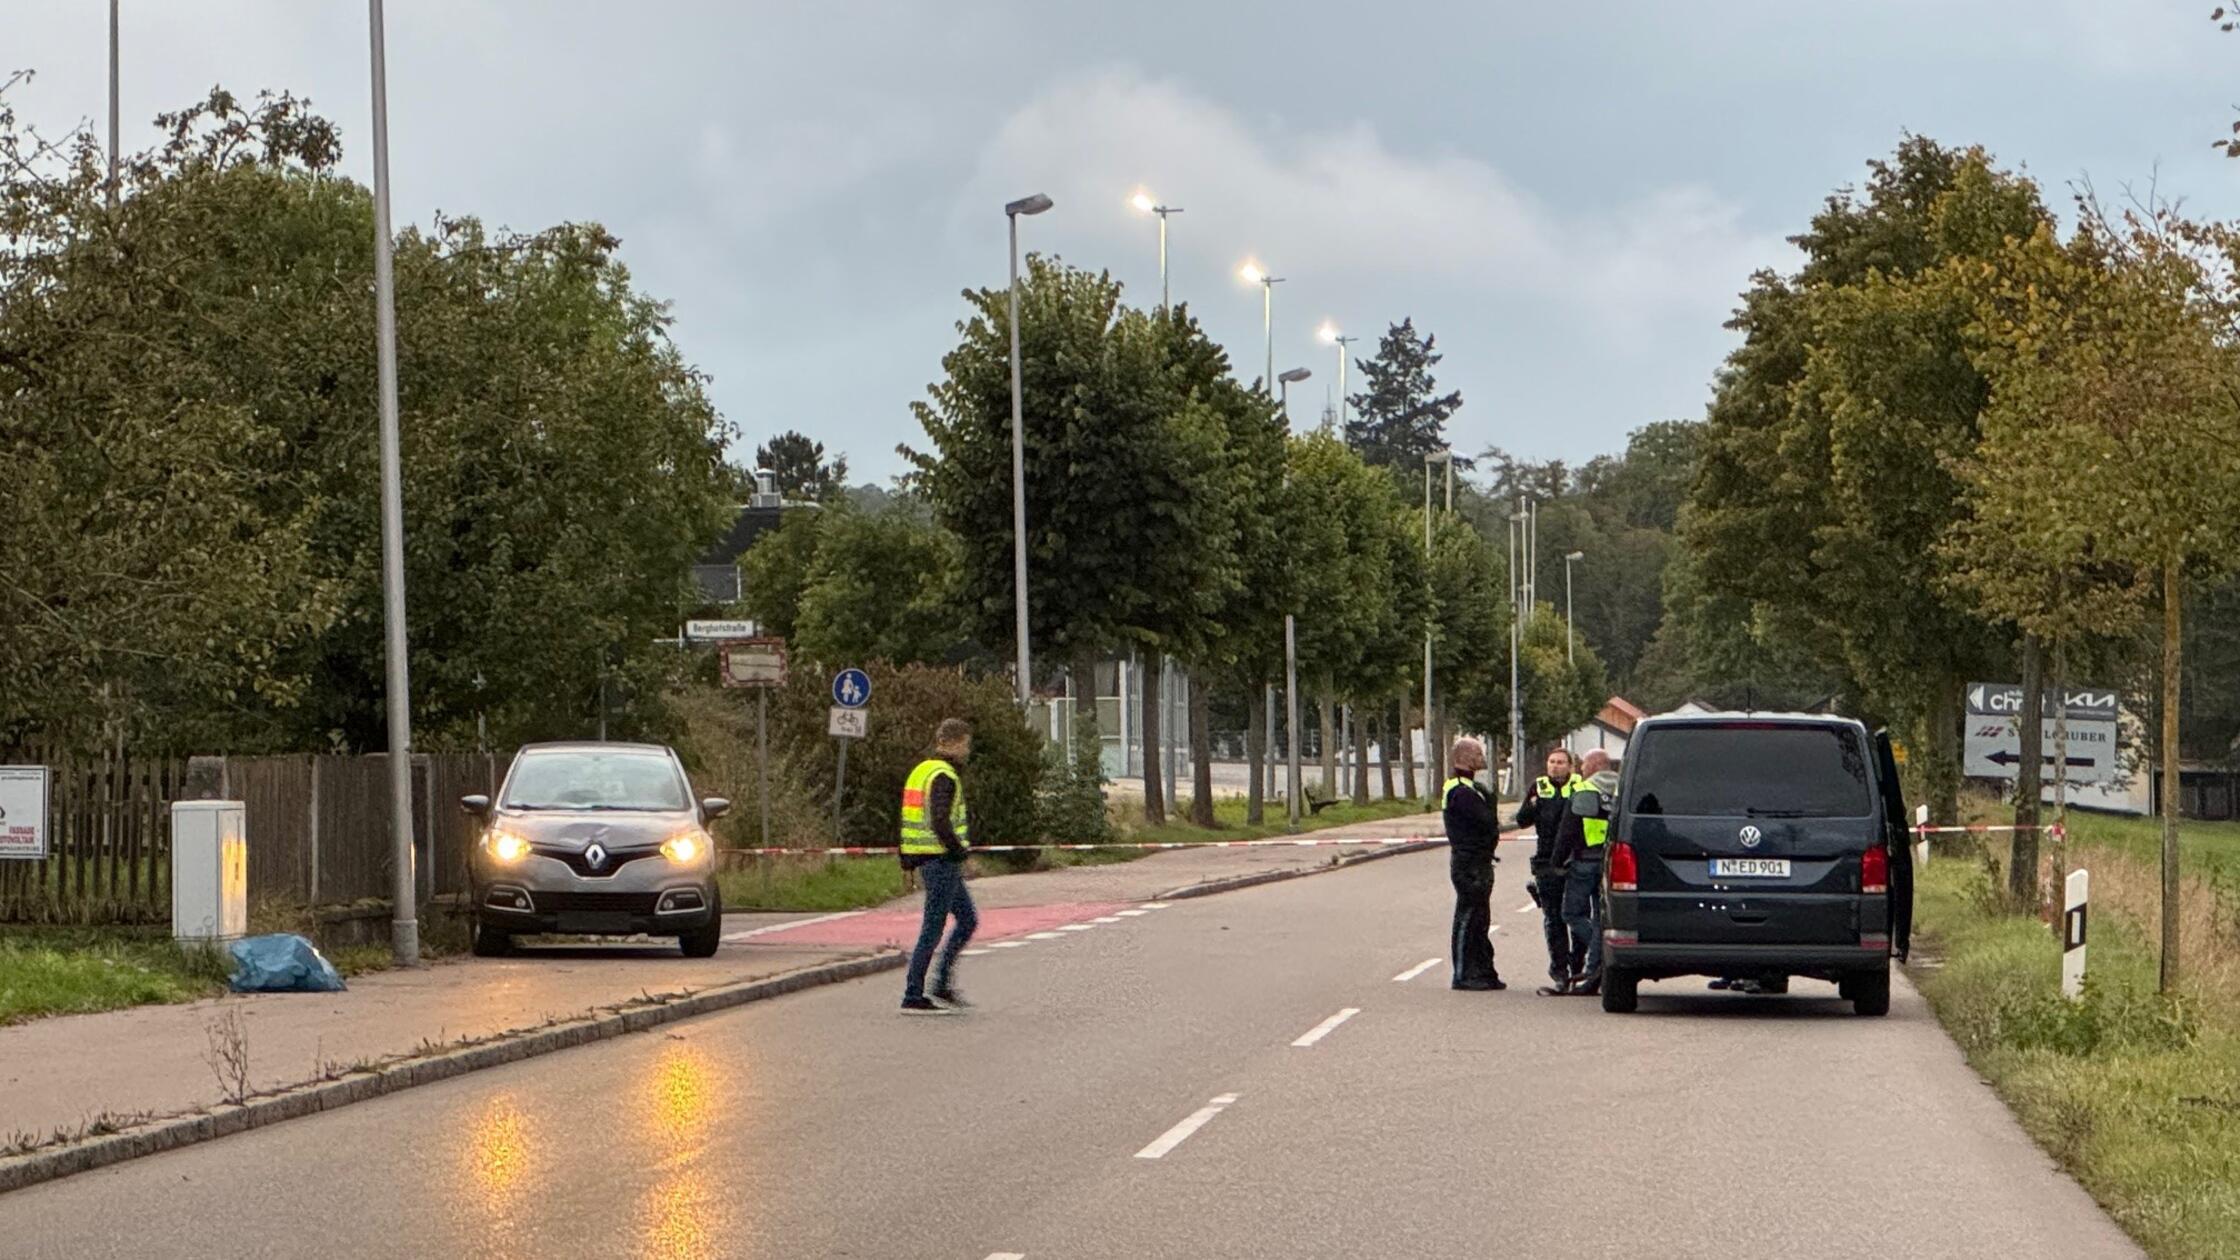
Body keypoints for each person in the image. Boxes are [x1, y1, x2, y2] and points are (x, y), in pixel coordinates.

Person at [899, 718, 978, 1013]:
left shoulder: (921, 771)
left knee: (967, 919)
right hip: (941, 860)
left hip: (927, 858)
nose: (967, 750)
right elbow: (940, 820)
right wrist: (959, 852)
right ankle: (915, 992)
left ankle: (940, 982)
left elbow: (908, 819)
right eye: (965, 744)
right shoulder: (944, 775)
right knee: (933, 926)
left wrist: (906, 860)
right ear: (953, 742)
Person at [1551, 748, 1619, 996]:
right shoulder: (1623, 789)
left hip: (1585, 861)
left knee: (1571, 913)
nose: (1581, 769)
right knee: (1601, 916)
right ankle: (1593, 975)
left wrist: (1556, 861)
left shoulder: (1584, 790)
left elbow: (1567, 830)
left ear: (1595, 766)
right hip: (1612, 862)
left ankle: (1599, 947)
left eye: (1584, 764)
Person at [1517, 747, 1582, 996]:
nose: (1555, 766)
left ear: (1570, 766)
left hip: (1574, 860)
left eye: (1560, 762)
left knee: (1576, 916)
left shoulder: (1579, 786)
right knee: (1553, 919)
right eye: (1551, 762)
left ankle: (1578, 966)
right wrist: (1532, 805)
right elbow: (1522, 820)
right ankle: (1559, 971)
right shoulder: (1539, 787)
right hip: (1546, 861)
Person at [1442, 737, 1505, 991]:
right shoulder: (1461, 791)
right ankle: (1463, 973)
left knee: (1480, 919)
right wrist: (1490, 808)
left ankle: (1482, 970)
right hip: (1469, 864)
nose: (1482, 757)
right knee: (1469, 918)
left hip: (1479, 861)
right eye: (1478, 753)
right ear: (1466, 757)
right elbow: (1485, 822)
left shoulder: (1470, 787)